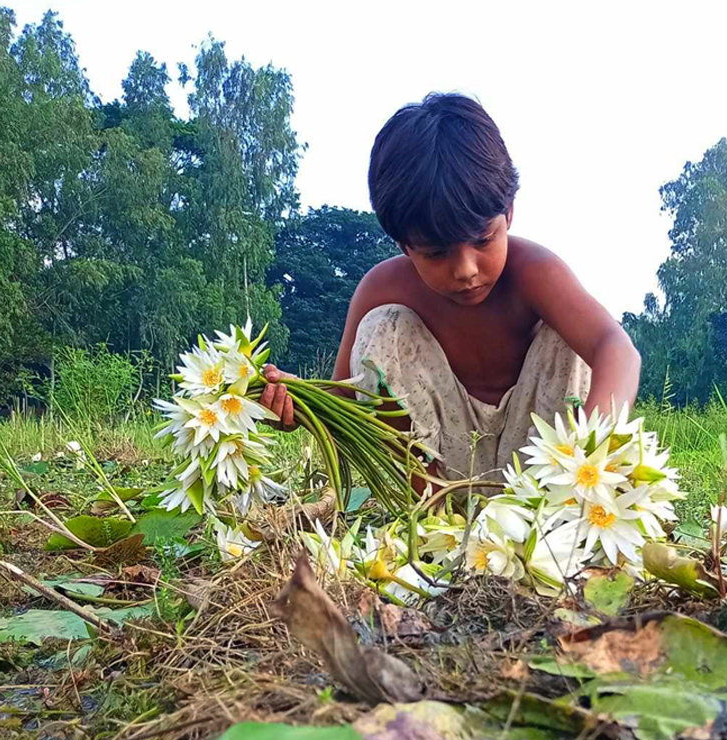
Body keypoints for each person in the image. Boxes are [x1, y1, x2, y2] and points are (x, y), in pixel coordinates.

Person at [261, 93, 641, 484]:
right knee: (381, 326)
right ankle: (430, 513)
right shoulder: (382, 289)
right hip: (441, 481)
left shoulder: (536, 273)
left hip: (543, 475)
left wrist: (595, 449)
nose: (466, 270)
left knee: (568, 333)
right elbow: (345, 399)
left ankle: (554, 509)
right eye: (436, 252)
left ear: (508, 212)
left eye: (483, 240)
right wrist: (300, 402)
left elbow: (617, 349)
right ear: (403, 244)